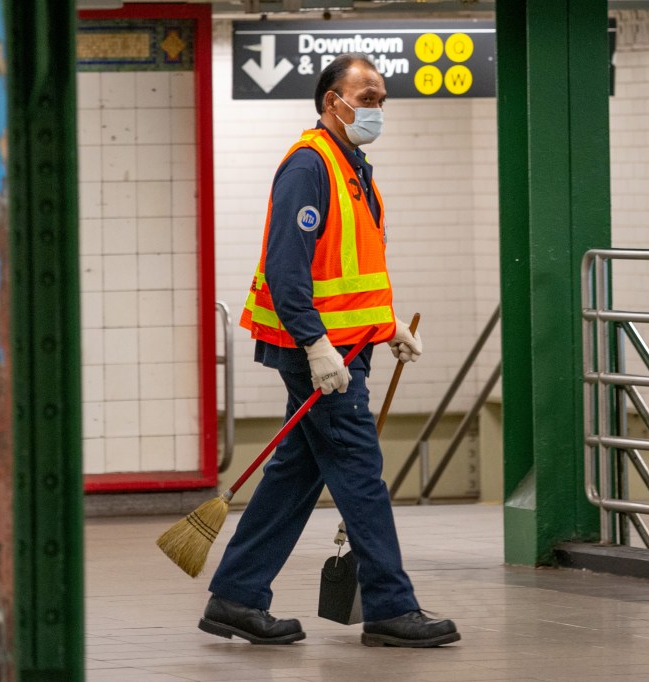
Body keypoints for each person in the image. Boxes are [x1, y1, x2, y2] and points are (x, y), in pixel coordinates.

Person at [197, 54, 460, 648]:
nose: (375, 109)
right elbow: (287, 267)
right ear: (330, 102)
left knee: (297, 472)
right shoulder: (308, 167)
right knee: (361, 471)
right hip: (318, 352)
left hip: (346, 347)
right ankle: (391, 607)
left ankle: (236, 595)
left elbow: (349, 268)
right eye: (365, 97)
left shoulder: (353, 168)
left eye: (381, 100)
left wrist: (387, 324)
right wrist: (315, 345)